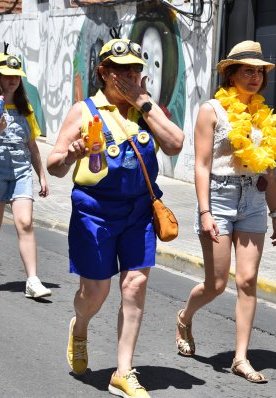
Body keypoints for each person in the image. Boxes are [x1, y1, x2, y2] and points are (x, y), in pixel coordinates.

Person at [46, 36, 184, 397]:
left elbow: (175, 144)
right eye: (121, 70)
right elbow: (54, 165)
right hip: (95, 213)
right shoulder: (84, 110)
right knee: (96, 291)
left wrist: (143, 102)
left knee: (135, 285)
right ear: (104, 73)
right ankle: (80, 326)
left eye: (136, 70)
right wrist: (71, 154)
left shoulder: (148, 110)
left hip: (139, 212)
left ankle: (123, 371)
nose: (130, 76)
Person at [176, 40, 276, 384]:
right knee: (217, 283)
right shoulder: (212, 110)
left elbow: (268, 167)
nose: (255, 77)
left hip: (253, 199)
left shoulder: (262, 113)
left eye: (259, 71)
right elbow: (202, 165)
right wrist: (205, 211)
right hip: (219, 198)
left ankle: (240, 358)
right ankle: (184, 316)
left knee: (248, 280)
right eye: (248, 70)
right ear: (231, 73)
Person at [0, 45, 52, 299]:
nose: (13, 80)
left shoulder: (26, 109)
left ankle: (33, 281)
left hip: (21, 171)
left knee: (25, 223)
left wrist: (42, 175)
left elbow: (33, 146)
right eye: (8, 76)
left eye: (17, 76)